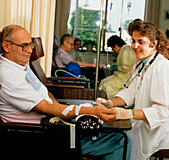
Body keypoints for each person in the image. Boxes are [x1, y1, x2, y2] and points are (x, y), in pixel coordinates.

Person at [0, 25, 131, 160]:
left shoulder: (21, 66)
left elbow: (45, 92)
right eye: (24, 46)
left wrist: (59, 107)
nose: (29, 50)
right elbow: (46, 107)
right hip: (38, 136)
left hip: (53, 124)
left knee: (108, 130)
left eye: (31, 45)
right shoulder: (8, 75)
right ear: (6, 46)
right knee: (120, 140)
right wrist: (90, 111)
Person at [96, 19, 169, 160]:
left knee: (118, 145)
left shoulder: (162, 67)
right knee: (114, 140)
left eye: (141, 42)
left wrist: (129, 113)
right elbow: (130, 92)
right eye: (133, 41)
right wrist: (110, 103)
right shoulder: (140, 65)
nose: (135, 46)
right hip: (143, 124)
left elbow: (162, 112)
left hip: (157, 130)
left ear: (153, 43)